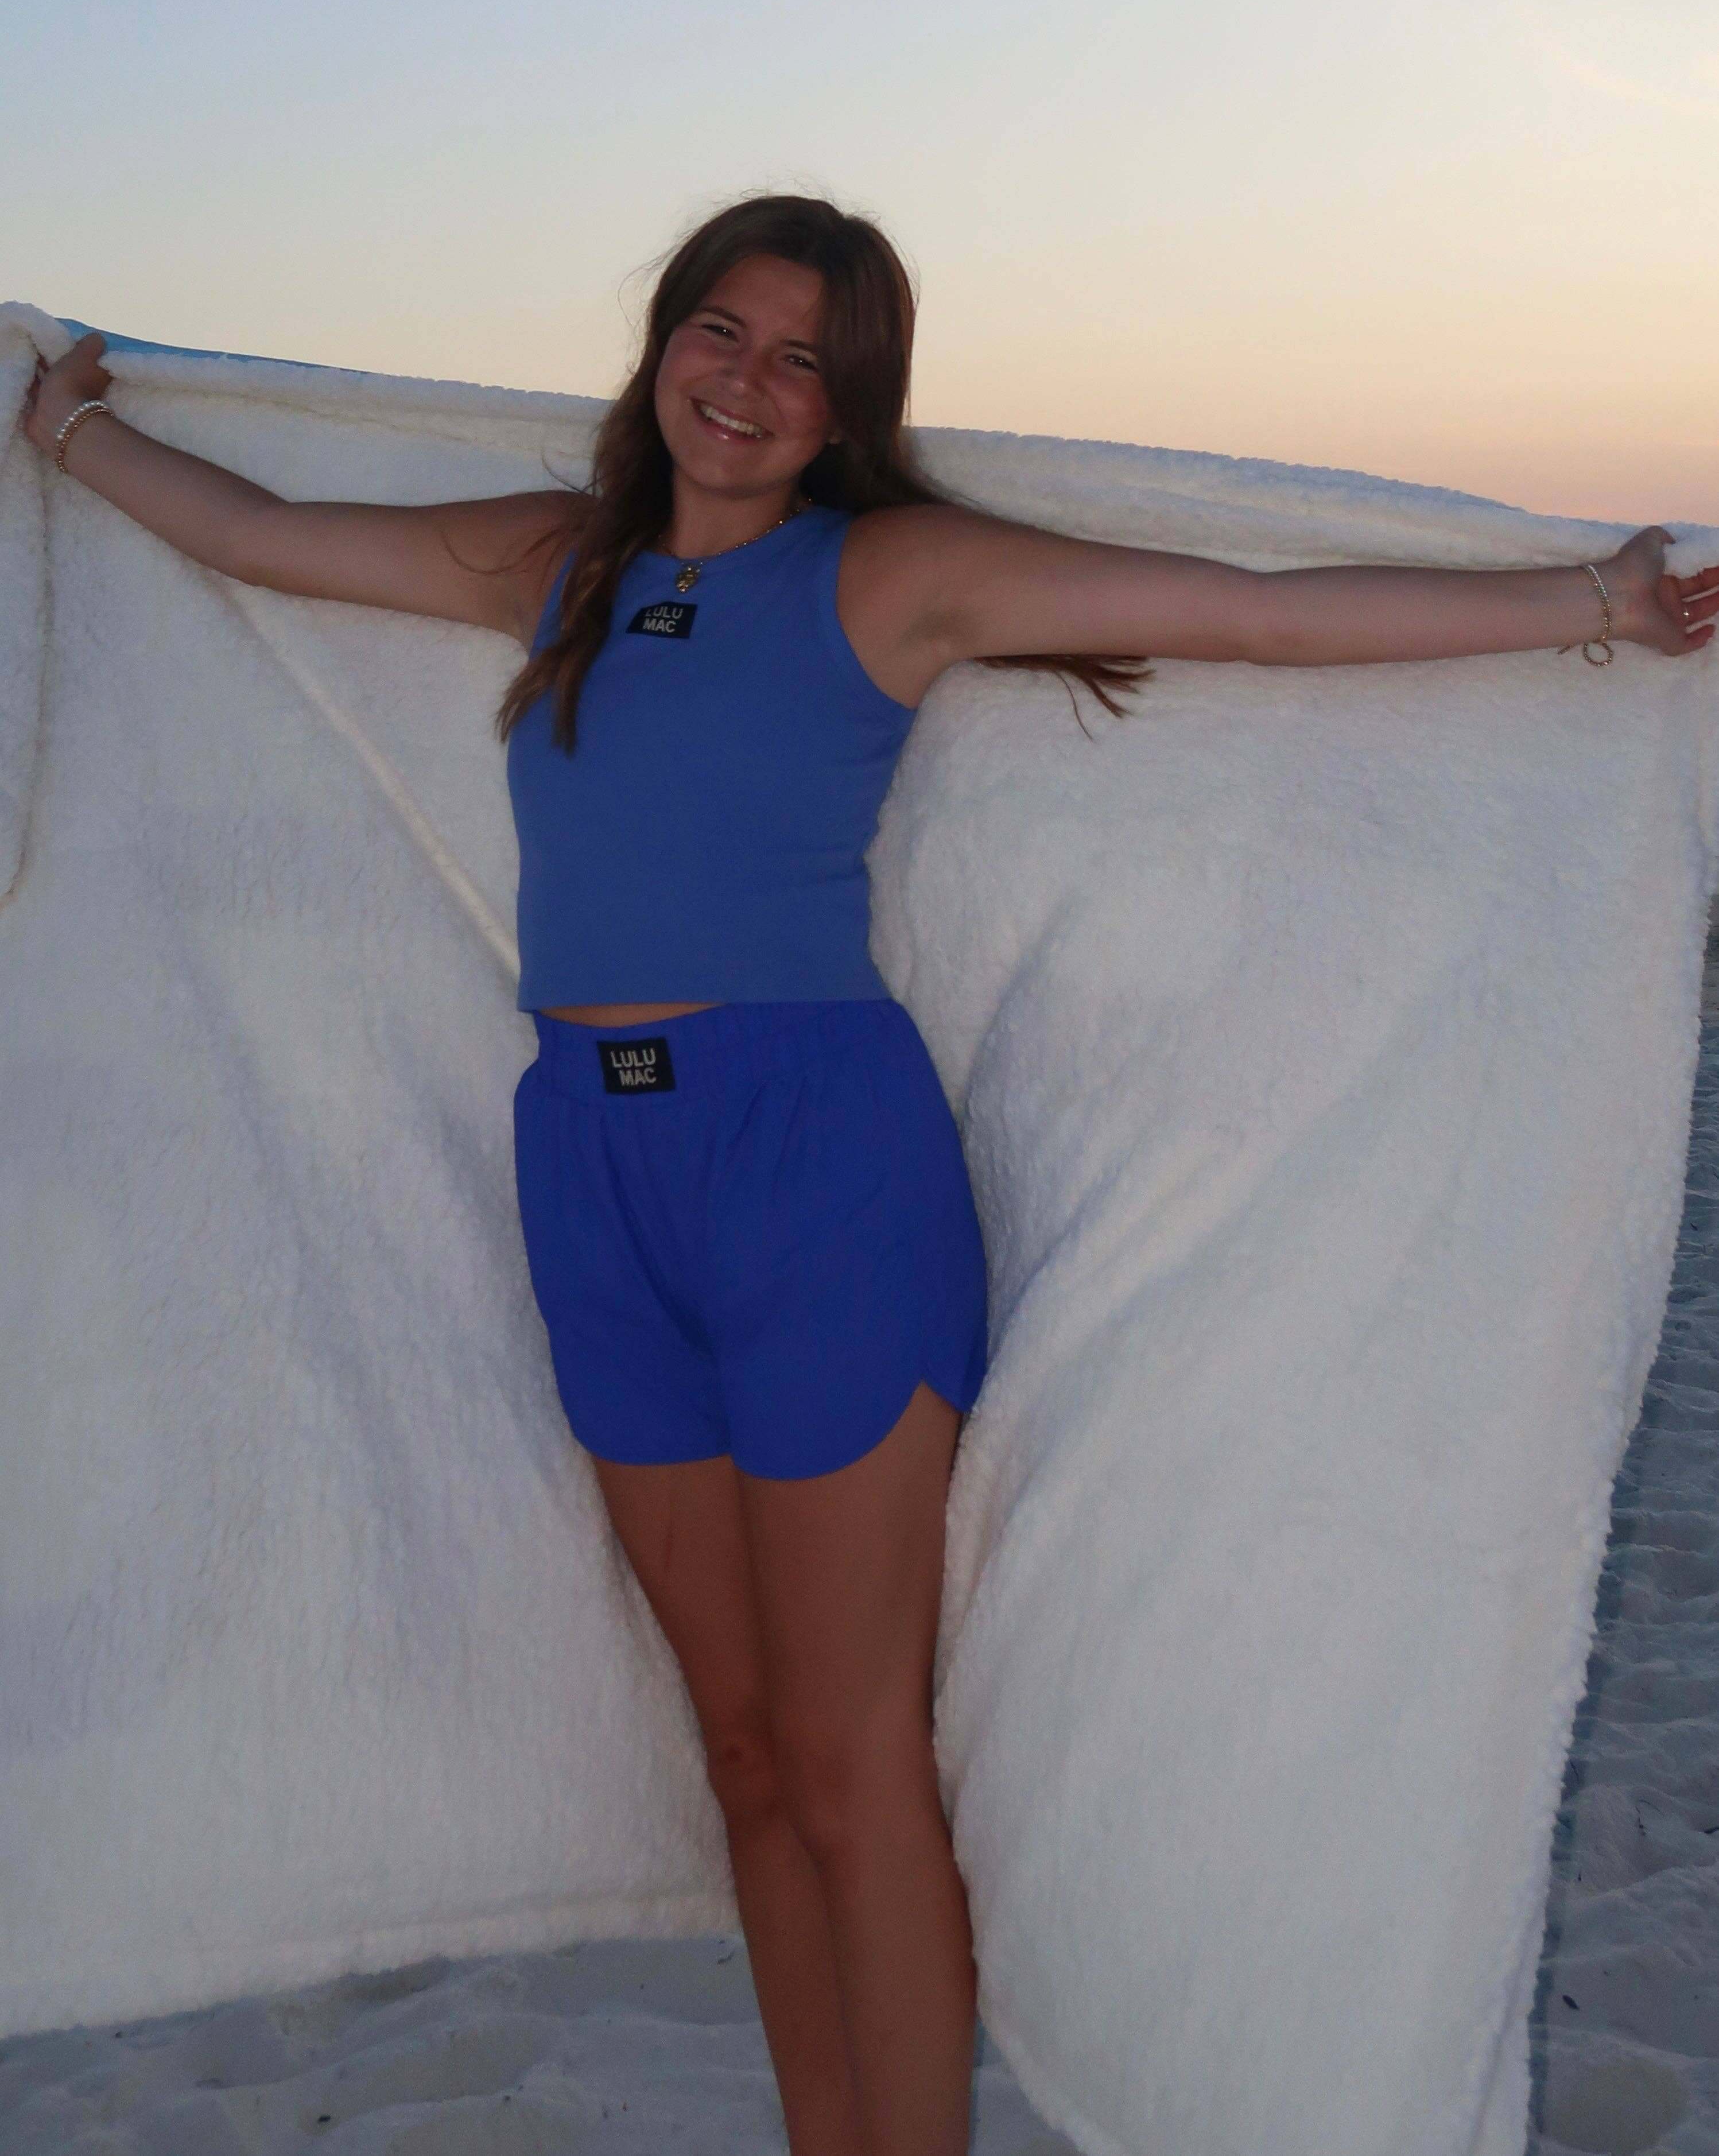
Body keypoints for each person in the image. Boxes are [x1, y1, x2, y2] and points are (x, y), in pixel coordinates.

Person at [21, 193, 1716, 2156]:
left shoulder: (886, 576)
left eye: (798, 358)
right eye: (718, 332)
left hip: (812, 1162)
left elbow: (1249, 607)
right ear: (662, 342)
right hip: (587, 1165)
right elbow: (256, 537)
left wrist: (1579, 607)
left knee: (846, 1756)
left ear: (846, 407)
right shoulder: (552, 564)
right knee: (741, 1756)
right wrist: (63, 432)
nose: (744, 383)